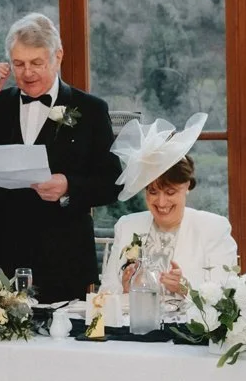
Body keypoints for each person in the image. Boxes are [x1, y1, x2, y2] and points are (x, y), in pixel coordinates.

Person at [0, 13, 116, 303]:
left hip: (62, 261)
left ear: (58, 56)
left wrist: (69, 186)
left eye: (36, 63)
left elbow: (111, 181)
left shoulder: (90, 110)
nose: (27, 73)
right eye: (19, 64)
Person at [98, 114, 237, 295]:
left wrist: (185, 289)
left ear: (187, 186)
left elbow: (226, 297)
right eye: (153, 192)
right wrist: (125, 290)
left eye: (170, 192)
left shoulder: (213, 228)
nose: (161, 203)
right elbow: (105, 293)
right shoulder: (127, 226)